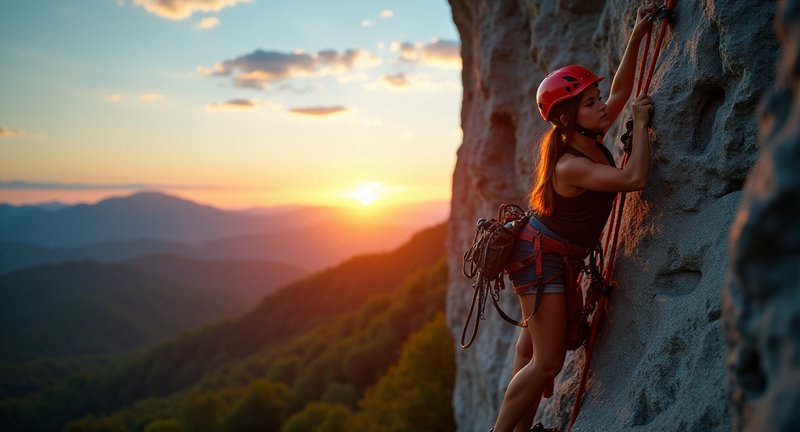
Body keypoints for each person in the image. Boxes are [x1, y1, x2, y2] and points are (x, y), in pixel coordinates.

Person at [489, 4, 657, 432]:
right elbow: (634, 177)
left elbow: (619, 92)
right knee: (547, 362)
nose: (602, 106)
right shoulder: (569, 164)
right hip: (541, 257)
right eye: (590, 102)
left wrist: (637, 35)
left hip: (544, 252)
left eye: (595, 98)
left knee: (530, 354)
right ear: (568, 119)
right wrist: (640, 123)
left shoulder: (585, 137)